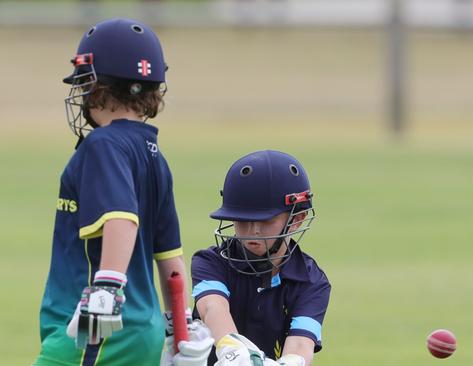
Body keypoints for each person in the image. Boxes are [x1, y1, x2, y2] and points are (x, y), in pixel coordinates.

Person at [33, 18, 211, 366]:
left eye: (85, 83)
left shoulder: (103, 145)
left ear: (99, 87)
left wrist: (106, 292)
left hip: (97, 330)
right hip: (141, 330)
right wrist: (180, 324)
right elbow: (171, 260)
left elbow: (120, 220)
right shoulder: (153, 153)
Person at [191, 150, 332, 366]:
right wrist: (233, 350)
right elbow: (213, 308)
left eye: (266, 221)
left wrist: (291, 362)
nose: (253, 231)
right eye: (242, 220)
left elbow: (301, 345)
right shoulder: (210, 262)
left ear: (297, 219)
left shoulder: (312, 282)